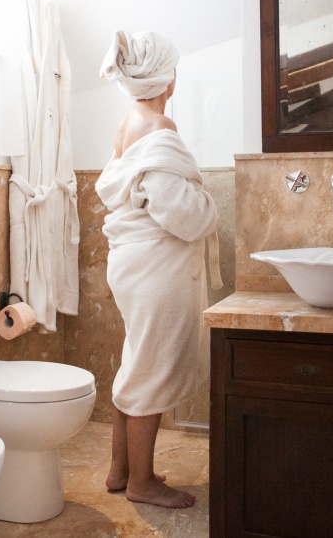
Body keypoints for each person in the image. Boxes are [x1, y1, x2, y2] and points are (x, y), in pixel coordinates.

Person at [94, 29, 219, 509]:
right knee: (150, 369)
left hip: (131, 264)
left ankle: (120, 469)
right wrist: (207, 204)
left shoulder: (127, 123)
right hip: (157, 269)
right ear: (168, 76)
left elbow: (140, 193)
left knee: (136, 361)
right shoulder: (160, 127)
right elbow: (180, 213)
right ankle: (142, 483)